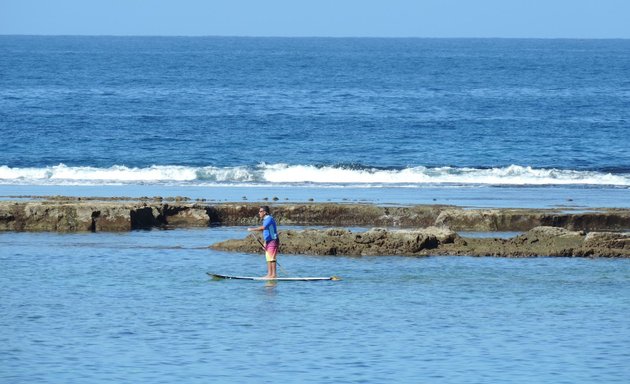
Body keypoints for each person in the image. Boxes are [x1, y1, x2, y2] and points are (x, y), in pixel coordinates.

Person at [247, 205, 279, 278]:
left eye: (260, 211)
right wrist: (265, 242)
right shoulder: (266, 220)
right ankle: (269, 274)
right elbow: (270, 231)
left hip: (273, 241)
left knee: (272, 258)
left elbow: (263, 228)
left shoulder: (269, 219)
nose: (259, 213)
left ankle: (273, 275)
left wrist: (252, 229)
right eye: (259, 211)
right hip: (269, 241)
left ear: (265, 212)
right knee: (268, 258)